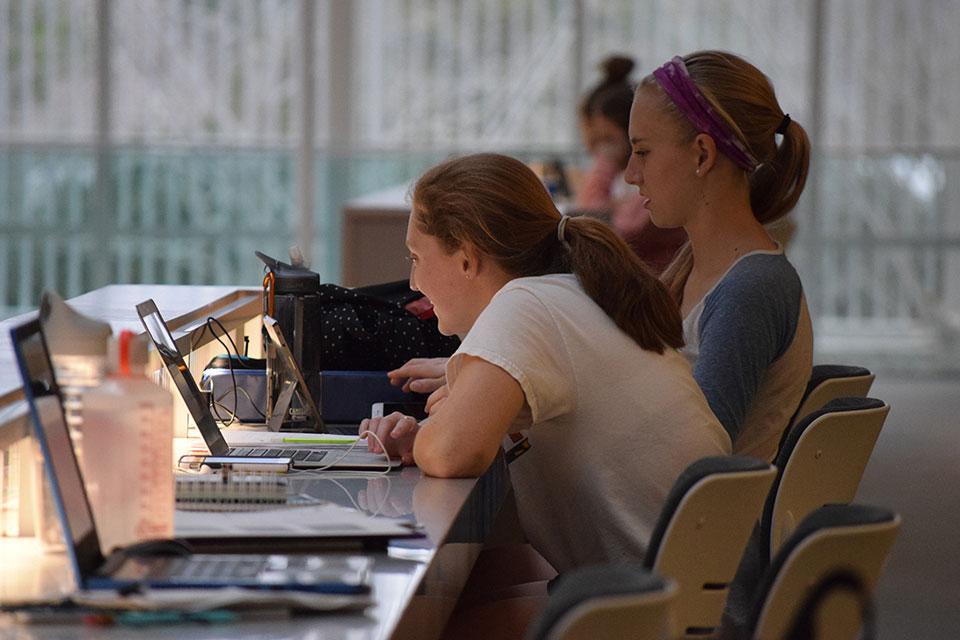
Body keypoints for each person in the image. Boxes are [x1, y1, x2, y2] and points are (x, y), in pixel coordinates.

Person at [361, 153, 730, 572]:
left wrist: (432, 436)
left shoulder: (525, 305)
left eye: (416, 257)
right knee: (487, 582)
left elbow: (450, 454)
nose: (412, 282)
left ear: (466, 257)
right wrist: (424, 435)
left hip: (644, 607)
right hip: (683, 594)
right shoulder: (575, 295)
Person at [625, 50, 814, 461]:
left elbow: (696, 451)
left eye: (642, 152)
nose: (630, 174)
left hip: (689, 524)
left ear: (702, 155)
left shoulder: (750, 290)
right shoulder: (698, 269)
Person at [575, 55, 687, 273]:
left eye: (608, 140)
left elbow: (596, 226)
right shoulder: (628, 180)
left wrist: (604, 165)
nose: (596, 148)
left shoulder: (655, 180)